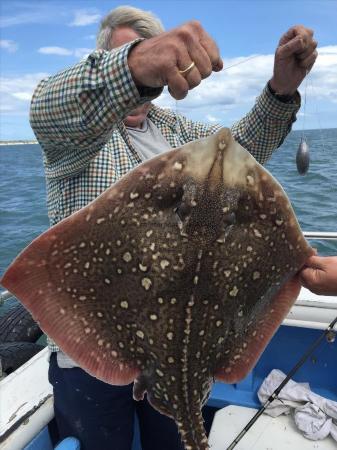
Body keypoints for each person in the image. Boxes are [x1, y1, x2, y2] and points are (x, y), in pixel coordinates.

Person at [29, 5, 318, 450]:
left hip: (187, 347)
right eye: (130, 55)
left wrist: (280, 90)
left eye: (152, 56)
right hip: (91, 345)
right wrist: (134, 67)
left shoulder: (174, 129)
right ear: (106, 64)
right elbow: (48, 107)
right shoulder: (78, 137)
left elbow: (238, 157)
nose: (149, 67)